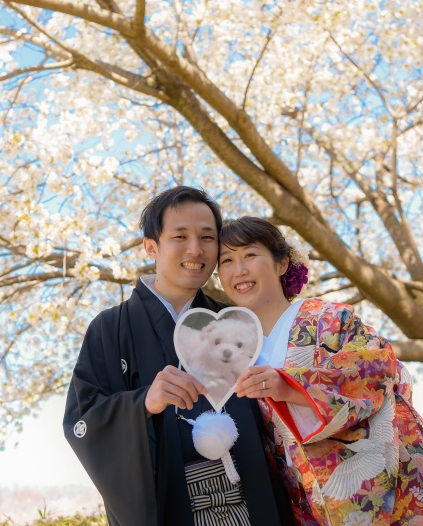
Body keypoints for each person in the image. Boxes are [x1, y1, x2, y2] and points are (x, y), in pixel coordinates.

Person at [217, 216, 423, 526]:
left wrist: (289, 387)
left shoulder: (328, 317)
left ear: (282, 263)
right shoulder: (237, 351)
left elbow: (377, 367)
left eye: (250, 255)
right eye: (226, 260)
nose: (239, 270)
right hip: (310, 500)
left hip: (395, 483)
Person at [63, 188, 294, 526]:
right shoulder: (110, 329)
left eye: (207, 237)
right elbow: (81, 423)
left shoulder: (236, 321)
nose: (195, 250)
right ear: (151, 245)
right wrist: (143, 403)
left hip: (252, 503)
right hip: (171, 508)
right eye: (180, 236)